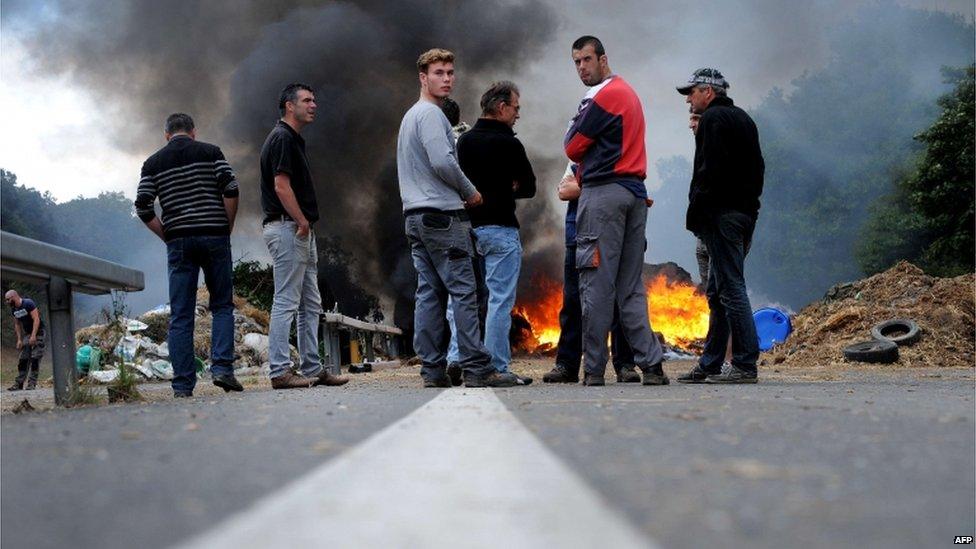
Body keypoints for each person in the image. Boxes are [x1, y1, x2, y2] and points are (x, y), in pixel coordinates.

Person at [396, 48, 516, 388]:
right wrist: (470, 191)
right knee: (466, 292)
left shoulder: (410, 117)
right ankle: (477, 369)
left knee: (430, 294)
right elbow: (443, 162)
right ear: (423, 77)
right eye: (438, 72)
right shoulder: (432, 116)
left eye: (450, 72)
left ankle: (432, 370)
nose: (447, 78)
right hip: (443, 218)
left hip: (416, 218)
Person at [563, 35, 667, 386]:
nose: (582, 68)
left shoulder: (605, 96)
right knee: (631, 287)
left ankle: (593, 371)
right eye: (576, 62)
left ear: (603, 59)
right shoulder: (629, 94)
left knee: (595, 285)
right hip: (635, 194)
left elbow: (572, 145)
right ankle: (652, 366)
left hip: (604, 194)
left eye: (587, 60)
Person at [134, 113, 243, 398]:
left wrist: (167, 235)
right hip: (215, 235)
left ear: (166, 135)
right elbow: (231, 188)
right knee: (221, 305)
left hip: (179, 240)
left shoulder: (153, 163)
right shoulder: (211, 152)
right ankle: (222, 369)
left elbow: (143, 207)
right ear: (193, 132)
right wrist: (226, 226)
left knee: (181, 315)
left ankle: (183, 385)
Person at [676, 68, 764, 384]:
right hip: (743, 214)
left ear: (709, 92)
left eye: (692, 91)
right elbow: (758, 169)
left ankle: (744, 364)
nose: (688, 99)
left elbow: (707, 172)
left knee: (730, 286)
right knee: (717, 291)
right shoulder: (743, 119)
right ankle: (711, 363)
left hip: (722, 216)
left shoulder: (713, 121)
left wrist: (697, 214)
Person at [259, 83, 349, 390]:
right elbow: (281, 186)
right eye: (307, 100)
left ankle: (312, 366)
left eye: (314, 100)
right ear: (289, 106)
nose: (314, 105)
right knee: (286, 300)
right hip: (289, 227)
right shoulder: (282, 138)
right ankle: (280, 371)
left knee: (311, 301)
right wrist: (300, 220)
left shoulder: (292, 139)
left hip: (299, 228)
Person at [457, 81, 536, 384]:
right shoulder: (510, 144)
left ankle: (459, 359)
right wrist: (506, 186)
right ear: (501, 107)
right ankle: (496, 367)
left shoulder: (464, 142)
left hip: (468, 230)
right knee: (499, 302)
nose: (518, 114)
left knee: (464, 300)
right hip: (501, 231)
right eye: (516, 108)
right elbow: (528, 187)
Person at [542, 165, 642, 384]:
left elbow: (628, 193)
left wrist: (584, 187)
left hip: (613, 238)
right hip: (578, 239)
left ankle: (625, 365)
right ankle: (567, 365)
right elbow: (564, 191)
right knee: (573, 302)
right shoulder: (576, 161)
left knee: (617, 300)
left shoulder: (620, 157)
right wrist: (600, 188)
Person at [4, 290, 45, 391]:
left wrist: (34, 335)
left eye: (8, 299)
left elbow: (36, 319)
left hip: (38, 331)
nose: (7, 302)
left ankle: (31, 383)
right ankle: (19, 384)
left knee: (35, 358)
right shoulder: (14, 309)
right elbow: (17, 324)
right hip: (27, 334)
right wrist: (19, 339)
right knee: (23, 359)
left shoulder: (28, 303)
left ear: (14, 296)